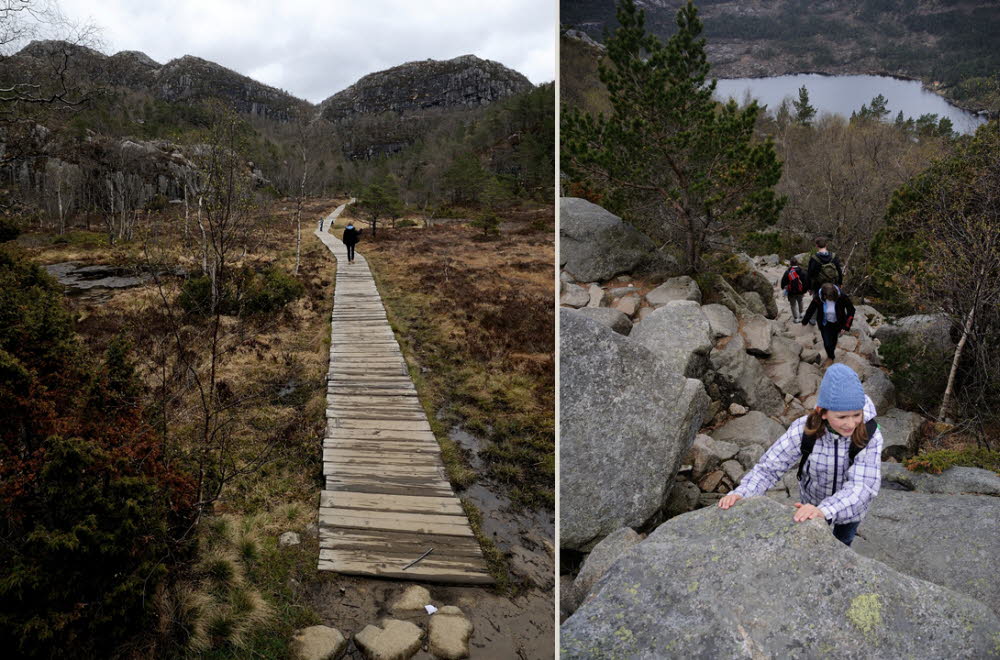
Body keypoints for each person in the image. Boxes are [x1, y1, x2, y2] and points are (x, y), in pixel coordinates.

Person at [718, 364, 883, 547]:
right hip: (811, 502)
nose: (851, 424)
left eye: (856, 415)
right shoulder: (804, 429)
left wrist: (825, 510)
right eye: (842, 417)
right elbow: (770, 467)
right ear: (823, 412)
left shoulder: (869, 434)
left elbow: (862, 486)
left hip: (850, 510)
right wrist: (743, 493)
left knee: (843, 541)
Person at [801, 282, 855, 368]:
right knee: (827, 343)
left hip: (838, 323)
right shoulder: (818, 298)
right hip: (825, 323)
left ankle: (831, 353)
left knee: (833, 341)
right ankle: (831, 357)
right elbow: (811, 309)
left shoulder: (842, 297)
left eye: (832, 298)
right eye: (828, 298)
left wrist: (846, 326)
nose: (831, 300)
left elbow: (851, 310)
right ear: (824, 295)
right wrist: (805, 321)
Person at [806, 237, 843, 325]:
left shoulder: (814, 258)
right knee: (832, 302)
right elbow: (839, 271)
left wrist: (809, 288)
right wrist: (840, 283)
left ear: (816, 246)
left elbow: (810, 274)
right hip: (832, 285)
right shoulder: (834, 256)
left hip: (818, 285)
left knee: (816, 301)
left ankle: (813, 320)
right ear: (826, 245)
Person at [780, 256, 809, 323]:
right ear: (797, 263)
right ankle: (801, 314)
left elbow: (783, 282)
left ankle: (796, 318)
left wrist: (783, 288)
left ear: (790, 263)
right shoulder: (802, 271)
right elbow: (806, 281)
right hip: (800, 291)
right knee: (800, 301)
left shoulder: (787, 272)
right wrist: (805, 290)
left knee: (793, 305)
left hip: (791, 292)